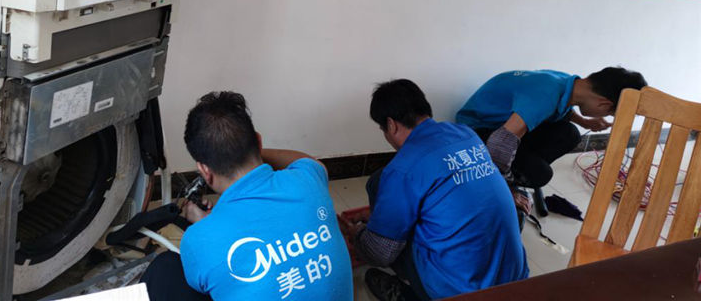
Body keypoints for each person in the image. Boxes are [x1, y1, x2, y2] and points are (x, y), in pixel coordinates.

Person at [141, 91, 352, 301]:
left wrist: (206, 227)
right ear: (259, 142)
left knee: (165, 269)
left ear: (204, 170)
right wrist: (245, 149)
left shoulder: (197, 239)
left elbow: (204, 287)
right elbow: (309, 161)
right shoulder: (309, 180)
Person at [349, 79, 528, 301]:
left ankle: (409, 294)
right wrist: (377, 216)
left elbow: (380, 254)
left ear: (391, 125)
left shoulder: (403, 169)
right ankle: (386, 226)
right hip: (515, 279)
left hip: (460, 291)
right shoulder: (467, 135)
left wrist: (359, 235)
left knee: (379, 183)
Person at [456, 67, 647, 189]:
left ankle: (517, 170)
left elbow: (557, 108)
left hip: (500, 125)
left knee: (569, 133)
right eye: (610, 113)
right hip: (473, 134)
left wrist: (585, 122)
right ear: (604, 104)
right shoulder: (544, 95)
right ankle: (505, 183)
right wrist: (506, 189)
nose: (604, 116)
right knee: (540, 174)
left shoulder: (565, 83)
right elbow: (501, 142)